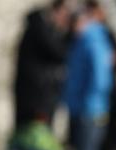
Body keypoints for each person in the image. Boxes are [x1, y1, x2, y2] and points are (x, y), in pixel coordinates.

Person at [64, 1, 113, 150]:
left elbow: (101, 79)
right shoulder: (84, 40)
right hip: (83, 110)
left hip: (89, 113)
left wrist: (88, 103)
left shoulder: (91, 39)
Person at [14, 0, 72, 129]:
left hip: (39, 97)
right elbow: (60, 53)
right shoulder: (41, 30)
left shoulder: (41, 28)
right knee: (34, 138)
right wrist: (71, 33)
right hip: (36, 99)